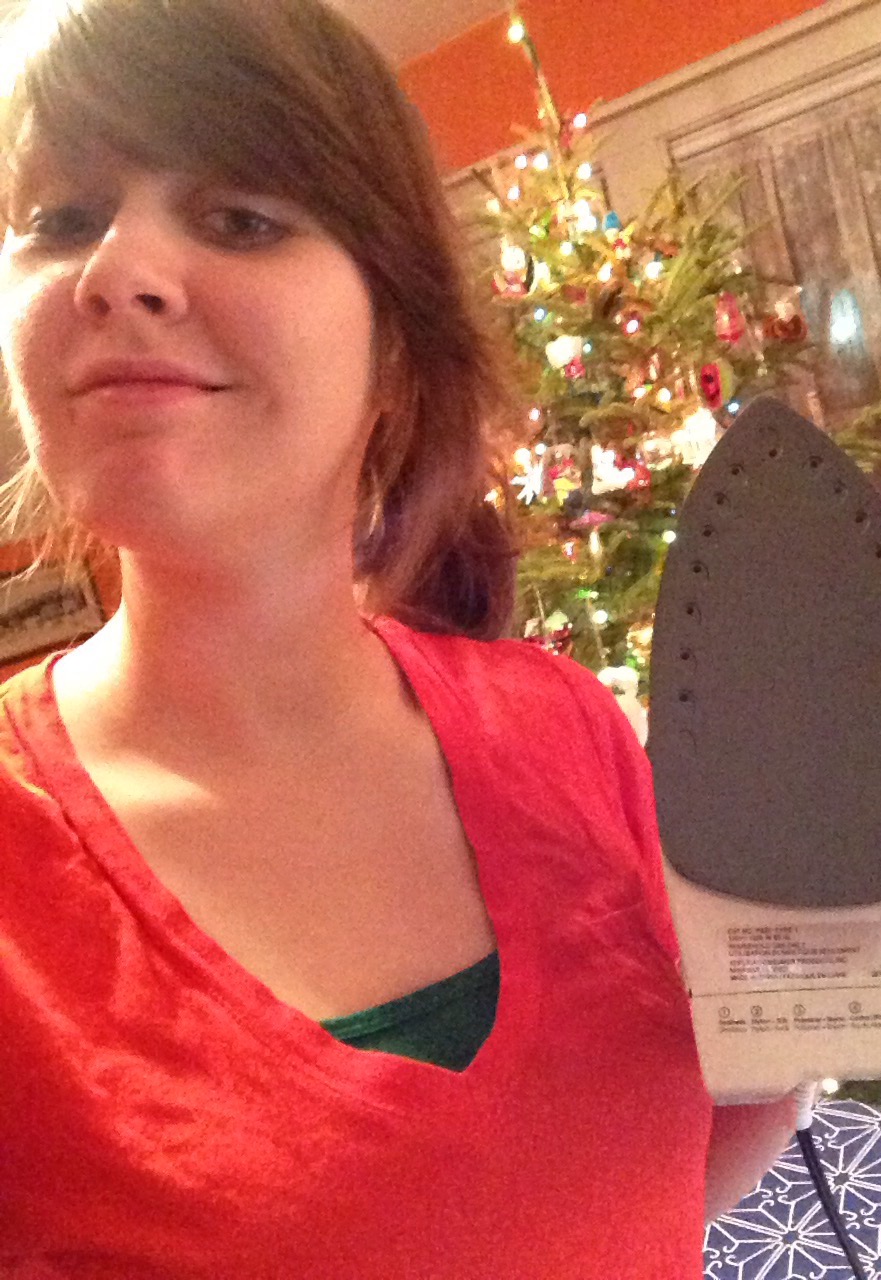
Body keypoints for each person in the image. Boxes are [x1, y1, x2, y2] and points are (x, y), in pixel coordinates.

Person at [0, 2, 800, 1275]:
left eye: (239, 218)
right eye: (62, 217)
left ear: (397, 352)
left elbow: (661, 1179)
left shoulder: (566, 722)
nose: (118, 268)